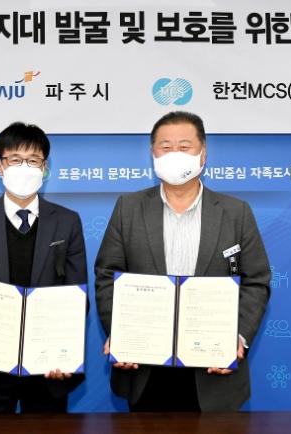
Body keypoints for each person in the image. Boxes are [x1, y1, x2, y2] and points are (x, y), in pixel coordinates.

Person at [95, 111, 271, 412]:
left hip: (213, 370)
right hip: (145, 368)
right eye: (165, 147)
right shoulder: (128, 208)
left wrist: (237, 337)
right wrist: (122, 334)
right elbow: (107, 276)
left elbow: (256, 281)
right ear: (153, 153)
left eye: (184, 146)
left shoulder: (235, 212)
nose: (174, 154)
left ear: (203, 154)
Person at [0, 122, 87, 413]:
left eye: (33, 160)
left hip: (48, 371)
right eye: (15, 160)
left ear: (45, 168)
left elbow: (77, 297)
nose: (24, 168)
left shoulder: (67, 221)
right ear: (0, 166)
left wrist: (63, 351)